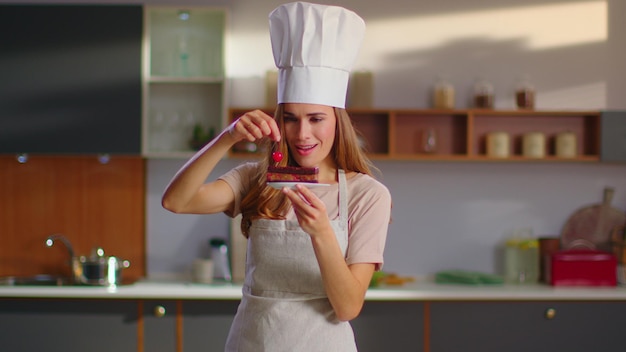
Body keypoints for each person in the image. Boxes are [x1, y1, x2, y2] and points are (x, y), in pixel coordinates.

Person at [162, 2, 392, 351]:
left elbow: (347, 306)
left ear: (337, 122)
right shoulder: (257, 179)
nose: (302, 134)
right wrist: (229, 136)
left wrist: (321, 234)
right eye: (291, 119)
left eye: (316, 119)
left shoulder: (368, 195)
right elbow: (175, 201)